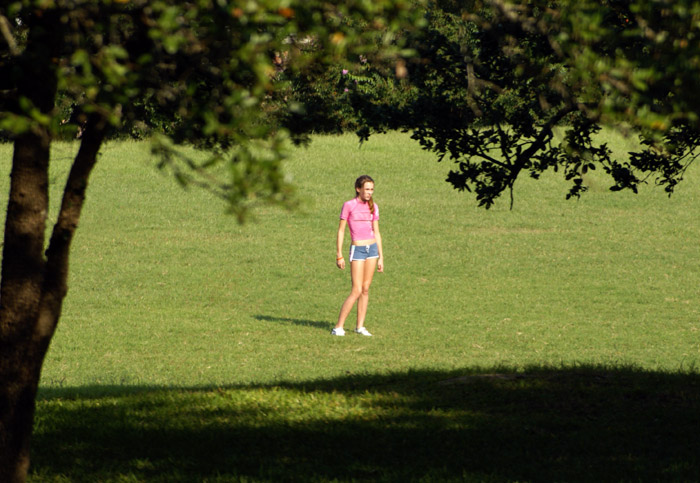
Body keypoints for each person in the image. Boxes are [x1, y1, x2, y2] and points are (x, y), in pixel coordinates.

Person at [332, 175, 384, 336]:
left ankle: (359, 326)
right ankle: (338, 327)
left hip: (372, 250)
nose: (369, 192)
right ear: (358, 189)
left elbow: (377, 232)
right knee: (356, 289)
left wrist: (381, 256)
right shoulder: (349, 206)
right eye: (367, 189)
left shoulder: (373, 207)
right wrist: (339, 254)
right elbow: (341, 230)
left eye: (371, 189)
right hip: (358, 249)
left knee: (366, 289)